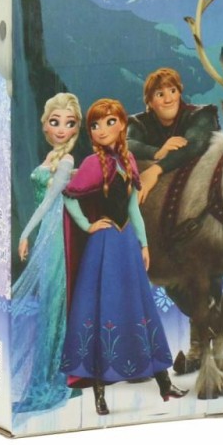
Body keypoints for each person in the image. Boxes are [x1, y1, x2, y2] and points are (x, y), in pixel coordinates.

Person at [60, 99, 186, 416]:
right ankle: (100, 395)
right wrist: (87, 225)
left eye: (109, 122)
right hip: (103, 247)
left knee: (139, 308)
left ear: (122, 125)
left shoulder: (128, 160)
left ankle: (164, 384)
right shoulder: (92, 163)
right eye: (95, 125)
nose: (102, 130)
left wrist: (143, 244)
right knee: (102, 312)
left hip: (127, 244)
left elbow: (133, 208)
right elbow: (70, 196)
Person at [10, 92, 82, 417]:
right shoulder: (53, 156)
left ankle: (54, 380)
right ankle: (53, 377)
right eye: (55, 122)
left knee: (55, 307)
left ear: (75, 128)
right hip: (48, 236)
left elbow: (50, 200)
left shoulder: (66, 161)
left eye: (69, 123)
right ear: (45, 126)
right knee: (49, 307)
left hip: (57, 238)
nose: (62, 129)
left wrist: (24, 232)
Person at [127, 68, 219, 201]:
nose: (168, 99)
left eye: (173, 91)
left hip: (204, 194)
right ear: (150, 102)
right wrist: (157, 152)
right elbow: (125, 143)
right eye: (160, 94)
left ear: (179, 93)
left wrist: (155, 170)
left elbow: (195, 144)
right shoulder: (139, 122)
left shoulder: (202, 115)